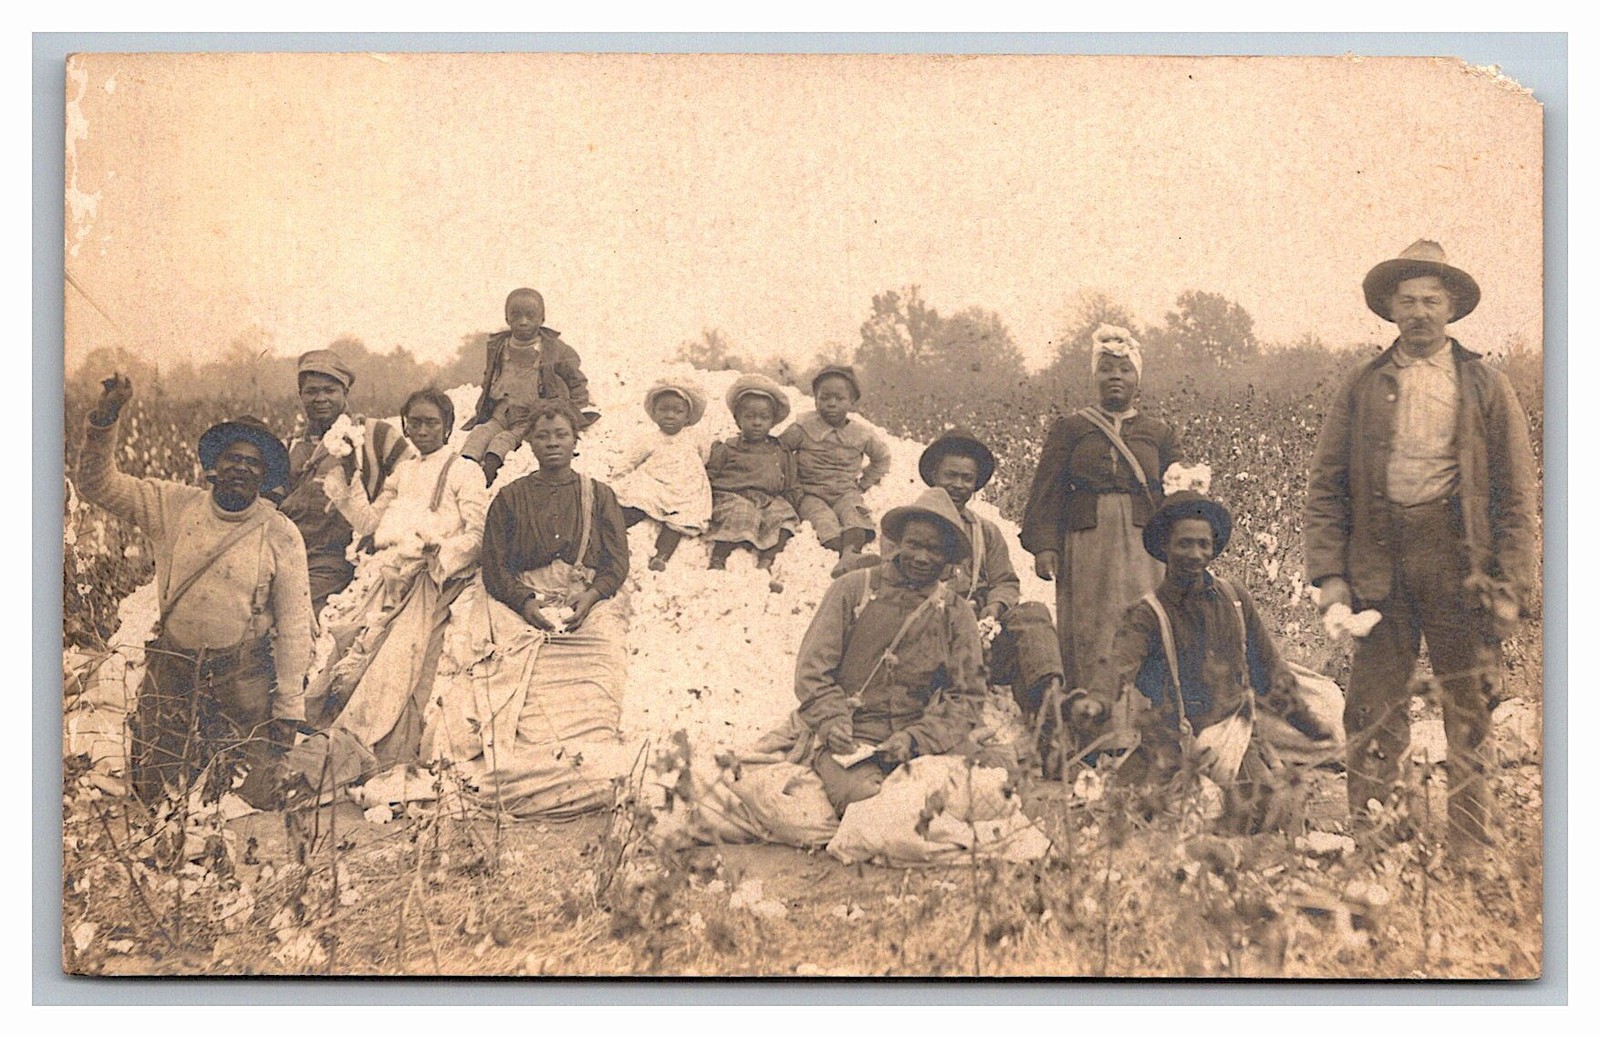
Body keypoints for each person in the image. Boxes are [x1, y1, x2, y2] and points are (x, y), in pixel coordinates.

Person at [1306, 241, 1538, 859]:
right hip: (1380, 565)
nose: (1419, 313)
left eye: (1431, 300)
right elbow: (1327, 486)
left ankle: (1469, 847)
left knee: (1468, 705)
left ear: (1452, 307)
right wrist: (1330, 577)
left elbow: (1516, 496)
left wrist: (1511, 586)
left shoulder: (1486, 386)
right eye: (1407, 301)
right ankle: (1382, 844)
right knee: (1374, 707)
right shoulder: (1361, 385)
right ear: (1389, 308)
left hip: (1460, 566)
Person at [76, 374, 311, 807]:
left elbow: (296, 627)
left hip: (242, 684)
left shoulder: (281, 533)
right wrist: (106, 419)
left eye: (253, 463)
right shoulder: (171, 505)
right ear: (214, 466)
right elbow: (96, 484)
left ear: (265, 476)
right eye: (233, 458)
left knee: (245, 801)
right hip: (172, 673)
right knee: (153, 796)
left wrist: (289, 708)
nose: (241, 467)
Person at [425, 399, 631, 818]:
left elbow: (616, 564)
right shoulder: (510, 497)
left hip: (583, 600)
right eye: (542, 436)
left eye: (561, 435)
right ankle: (526, 762)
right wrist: (525, 602)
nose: (552, 443)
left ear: (576, 440)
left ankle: (588, 761)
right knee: (507, 674)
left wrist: (590, 598)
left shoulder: (600, 495)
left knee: (604, 660)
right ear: (529, 443)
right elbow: (494, 566)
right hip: (522, 600)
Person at [287, 387, 490, 791]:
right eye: (414, 422)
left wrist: (440, 553)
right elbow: (370, 524)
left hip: (434, 576)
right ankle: (334, 735)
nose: (422, 430)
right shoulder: (405, 472)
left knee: (398, 661)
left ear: (448, 426)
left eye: (431, 422)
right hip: (391, 575)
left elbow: (479, 533)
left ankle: (372, 741)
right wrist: (347, 480)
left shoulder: (465, 470)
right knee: (351, 649)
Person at [1088, 491, 1298, 834]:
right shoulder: (1148, 613)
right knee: (1132, 820)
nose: (1195, 555)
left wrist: (1304, 719)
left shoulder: (1234, 600)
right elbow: (1118, 665)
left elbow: (1270, 667)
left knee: (1268, 815)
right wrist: (1097, 701)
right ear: (1165, 547)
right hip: (1171, 743)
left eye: (1204, 544)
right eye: (1184, 544)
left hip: (1233, 741)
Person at [794, 487, 987, 815]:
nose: (922, 558)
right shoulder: (854, 589)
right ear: (899, 543)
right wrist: (833, 723)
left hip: (923, 740)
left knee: (982, 793)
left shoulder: (956, 612)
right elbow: (812, 673)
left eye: (935, 549)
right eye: (914, 544)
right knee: (872, 804)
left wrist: (916, 738)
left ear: (948, 558)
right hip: (854, 737)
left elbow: (967, 698)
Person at [1021, 324, 1183, 692]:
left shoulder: (1158, 432)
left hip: (1145, 547)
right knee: (1091, 627)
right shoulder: (1072, 428)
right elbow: (1047, 490)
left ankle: (1142, 717)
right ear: (1094, 375)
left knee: (1143, 620)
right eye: (1107, 369)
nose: (1116, 377)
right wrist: (1045, 546)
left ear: (1137, 379)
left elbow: (1179, 491)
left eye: (1125, 370)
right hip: (1086, 542)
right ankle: (1091, 715)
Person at [885, 429, 1065, 717]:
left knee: (1032, 615)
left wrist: (993, 609)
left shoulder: (986, 532)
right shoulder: (908, 526)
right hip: (930, 636)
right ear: (934, 475)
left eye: (966, 479)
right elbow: (892, 583)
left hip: (982, 639)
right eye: (950, 476)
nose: (958, 485)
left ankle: (1047, 709)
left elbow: (1005, 582)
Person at [279, 349, 413, 617]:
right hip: (288, 553)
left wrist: (380, 533)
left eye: (329, 390)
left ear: (345, 393)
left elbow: (413, 485)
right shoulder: (289, 447)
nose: (320, 399)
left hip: (338, 557)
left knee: (293, 613)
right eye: (312, 391)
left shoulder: (376, 435)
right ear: (301, 396)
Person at [460, 288, 597, 485]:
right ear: (507, 318)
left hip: (530, 413)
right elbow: (490, 374)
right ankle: (465, 469)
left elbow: (576, 380)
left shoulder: (554, 349)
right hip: (501, 410)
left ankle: (487, 473)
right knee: (480, 433)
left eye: (530, 316)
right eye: (516, 315)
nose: (523, 321)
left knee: (504, 440)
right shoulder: (499, 346)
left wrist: (572, 408)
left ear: (542, 318)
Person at [779, 365, 892, 578]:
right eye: (824, 398)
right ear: (815, 399)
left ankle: (851, 553)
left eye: (839, 398)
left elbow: (882, 458)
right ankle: (840, 553)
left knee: (854, 514)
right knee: (823, 519)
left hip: (845, 491)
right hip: (811, 492)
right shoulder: (803, 428)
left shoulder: (861, 434)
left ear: (851, 401)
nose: (831, 404)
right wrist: (791, 484)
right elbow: (779, 452)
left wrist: (864, 483)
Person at [704, 373, 800, 592]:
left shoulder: (780, 451)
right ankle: (719, 557)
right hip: (734, 495)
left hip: (767, 498)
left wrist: (792, 500)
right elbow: (710, 475)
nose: (757, 422)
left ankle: (767, 560)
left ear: (772, 421)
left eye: (764, 417)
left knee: (783, 518)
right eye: (750, 416)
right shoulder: (727, 448)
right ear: (738, 419)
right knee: (742, 512)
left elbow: (790, 480)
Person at [612, 378, 714, 572]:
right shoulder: (650, 440)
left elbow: (704, 458)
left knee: (681, 519)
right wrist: (620, 478)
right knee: (638, 498)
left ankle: (661, 555)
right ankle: (617, 527)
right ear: (654, 413)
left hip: (685, 488)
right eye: (664, 410)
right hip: (655, 482)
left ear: (687, 417)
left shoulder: (695, 439)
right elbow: (631, 460)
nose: (670, 416)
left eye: (678, 411)